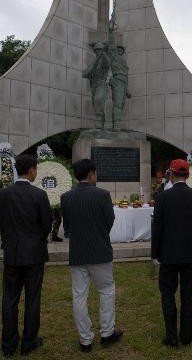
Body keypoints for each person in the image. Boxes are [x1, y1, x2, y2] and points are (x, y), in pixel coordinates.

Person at [60, 159, 123, 352]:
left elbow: (68, 226)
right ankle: (107, 332)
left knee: (79, 295)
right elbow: (109, 221)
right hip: (100, 251)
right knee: (106, 291)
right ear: (91, 174)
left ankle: (85, 339)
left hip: (78, 251)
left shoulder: (66, 197)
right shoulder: (102, 195)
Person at [0, 154, 53, 357]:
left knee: (10, 298)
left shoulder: (4, 194)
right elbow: (47, 224)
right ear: (31, 170)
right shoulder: (39, 195)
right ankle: (28, 341)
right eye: (36, 169)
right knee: (33, 298)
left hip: (12, 252)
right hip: (34, 254)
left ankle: (8, 343)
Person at [152, 159, 192, 348]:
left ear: (171, 175)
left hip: (168, 254)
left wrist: (155, 254)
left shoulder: (163, 198)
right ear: (188, 175)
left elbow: (157, 227)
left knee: (167, 294)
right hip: (191, 254)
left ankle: (172, 336)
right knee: (188, 295)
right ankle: (186, 337)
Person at [82, 42, 110, 129]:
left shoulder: (104, 60)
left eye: (99, 50)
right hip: (93, 86)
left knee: (99, 100)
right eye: (97, 50)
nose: (98, 52)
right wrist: (95, 63)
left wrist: (103, 53)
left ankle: (98, 120)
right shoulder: (92, 63)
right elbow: (84, 74)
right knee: (96, 106)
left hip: (101, 84)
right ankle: (101, 121)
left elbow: (108, 63)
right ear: (94, 52)